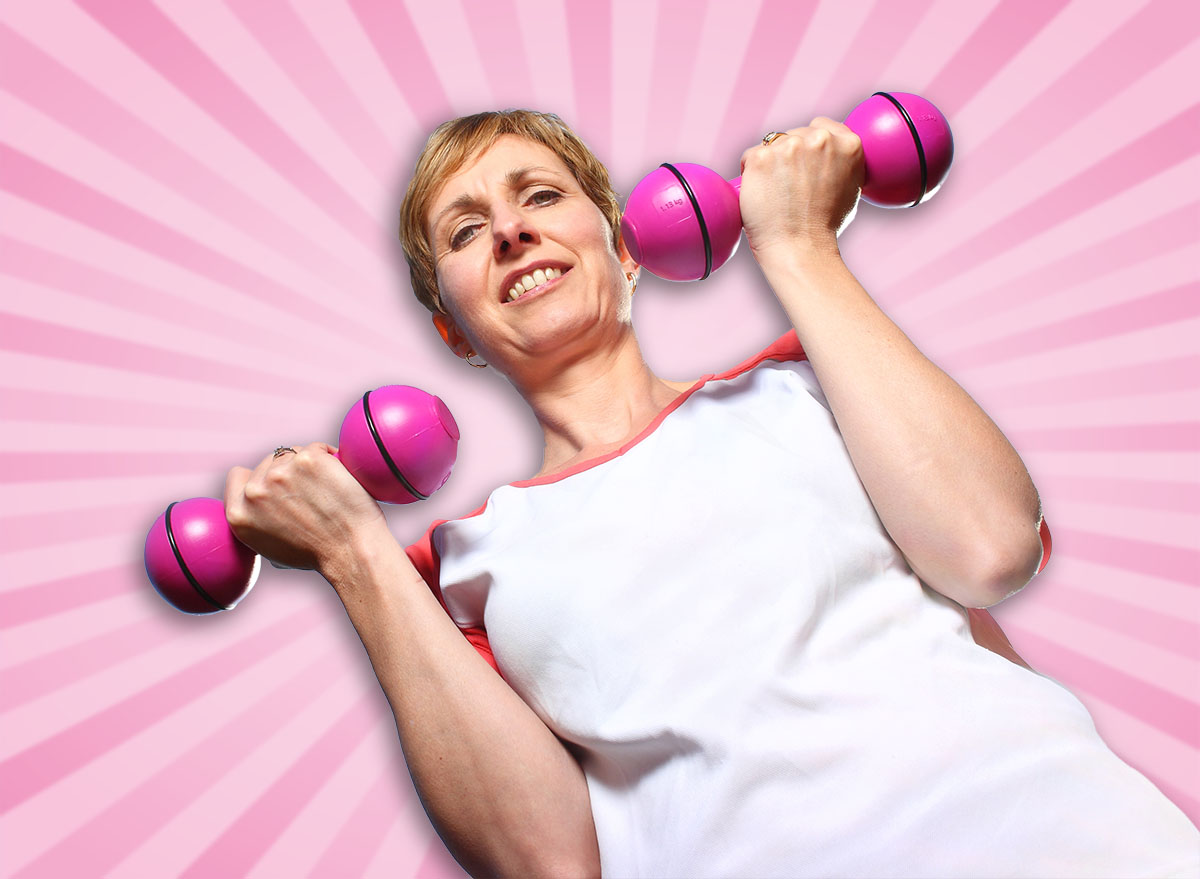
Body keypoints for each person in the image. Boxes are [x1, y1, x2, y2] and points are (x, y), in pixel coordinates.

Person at [224, 110, 1200, 878]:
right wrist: (357, 557)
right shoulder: (463, 572)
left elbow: (991, 548)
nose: (513, 230)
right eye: (468, 231)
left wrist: (799, 246)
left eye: (540, 198)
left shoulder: (809, 386)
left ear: (627, 245)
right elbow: (545, 862)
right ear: (451, 331)